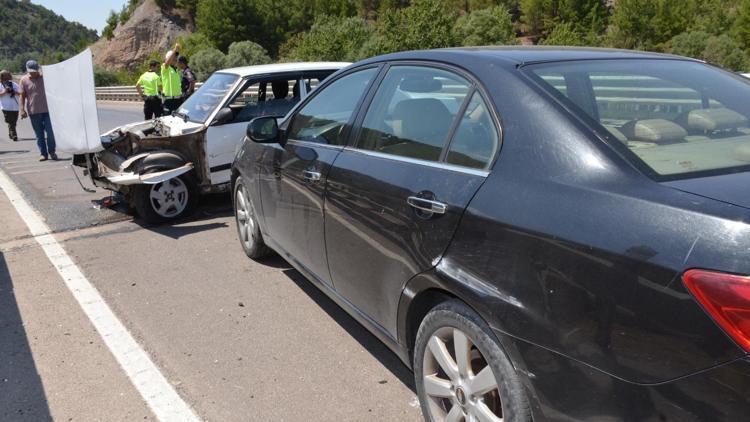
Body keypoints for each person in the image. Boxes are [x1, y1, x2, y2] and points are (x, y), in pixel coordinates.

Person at [19, 60, 56, 161]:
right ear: (27, 70)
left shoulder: (45, 77)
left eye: (35, 70)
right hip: (33, 111)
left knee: (51, 133)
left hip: (48, 111)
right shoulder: (23, 80)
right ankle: (43, 154)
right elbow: (22, 96)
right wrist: (22, 110)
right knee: (39, 134)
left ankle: (52, 151)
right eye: (31, 71)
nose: (33, 73)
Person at [161, 43, 183, 114]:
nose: (175, 59)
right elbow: (167, 63)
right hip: (169, 100)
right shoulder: (165, 68)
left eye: (176, 58)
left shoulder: (176, 70)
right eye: (173, 58)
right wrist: (175, 50)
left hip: (178, 99)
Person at [0, 70, 20, 142]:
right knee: (10, 121)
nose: (6, 77)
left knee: (13, 122)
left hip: (15, 106)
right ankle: (14, 135)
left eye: (7, 75)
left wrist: (13, 92)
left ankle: (11, 133)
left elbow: (20, 93)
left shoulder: (14, 84)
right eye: (4, 76)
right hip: (5, 107)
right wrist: (5, 91)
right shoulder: (0, 85)